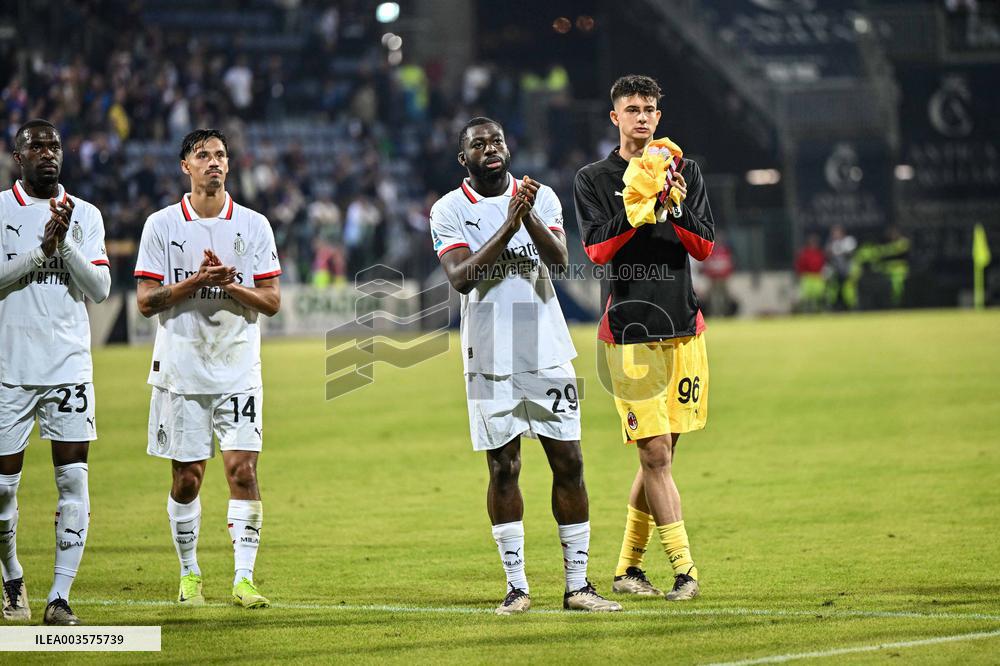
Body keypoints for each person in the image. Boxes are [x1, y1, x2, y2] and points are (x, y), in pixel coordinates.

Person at [431, 117, 620, 615]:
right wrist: (509, 225)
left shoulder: (542, 197)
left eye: (496, 140)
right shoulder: (449, 209)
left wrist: (527, 214)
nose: (490, 148)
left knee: (570, 461)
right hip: (489, 357)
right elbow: (461, 277)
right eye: (478, 144)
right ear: (464, 159)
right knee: (504, 467)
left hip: (547, 352)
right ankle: (517, 587)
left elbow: (559, 261)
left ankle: (578, 587)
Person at [574, 75, 715, 601]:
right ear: (615, 117)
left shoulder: (685, 171)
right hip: (630, 334)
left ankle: (627, 569)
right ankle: (685, 570)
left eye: (649, 108)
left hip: (684, 330)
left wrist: (673, 203)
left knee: (660, 459)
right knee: (655, 456)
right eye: (631, 108)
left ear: (659, 116)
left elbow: (704, 246)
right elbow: (596, 251)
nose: (641, 116)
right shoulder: (593, 178)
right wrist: (641, 206)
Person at [133, 128, 282, 609]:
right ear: (186, 166)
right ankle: (189, 573)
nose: (214, 162)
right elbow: (145, 301)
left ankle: (244, 579)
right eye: (203, 155)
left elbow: (272, 301)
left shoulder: (254, 225)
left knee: (243, 472)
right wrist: (197, 281)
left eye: (220, 155)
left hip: (238, 368)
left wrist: (230, 285)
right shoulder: (161, 225)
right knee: (187, 479)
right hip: (182, 370)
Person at [0, 119, 111, 625]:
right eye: (36, 146)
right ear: (18, 157)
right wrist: (41, 251)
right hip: (11, 368)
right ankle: (12, 574)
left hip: (69, 368)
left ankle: (59, 598)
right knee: (4, 489)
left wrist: (64, 246)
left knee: (73, 481)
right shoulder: (2, 209)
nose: (48, 153)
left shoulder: (85, 214)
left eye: (55, 146)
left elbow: (100, 289)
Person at [795, 233, 826, 312]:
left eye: (815, 242)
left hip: (817, 276)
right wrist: (800, 273)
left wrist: (823, 273)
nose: (814, 244)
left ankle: (818, 310)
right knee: (807, 296)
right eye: (812, 242)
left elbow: (823, 264)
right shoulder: (805, 253)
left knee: (818, 295)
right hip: (807, 276)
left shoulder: (820, 253)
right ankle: (807, 310)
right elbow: (800, 264)